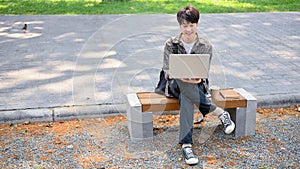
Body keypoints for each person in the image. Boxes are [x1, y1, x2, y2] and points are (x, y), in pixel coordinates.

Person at [161, 6, 235, 165]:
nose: (188, 29)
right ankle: (220, 113)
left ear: (197, 24)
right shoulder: (171, 44)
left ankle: (187, 146)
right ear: (180, 25)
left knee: (186, 97)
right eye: (184, 25)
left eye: (191, 25)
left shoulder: (205, 45)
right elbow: (167, 71)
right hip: (174, 84)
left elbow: (203, 73)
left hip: (196, 86)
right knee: (183, 87)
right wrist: (183, 78)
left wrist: (194, 79)